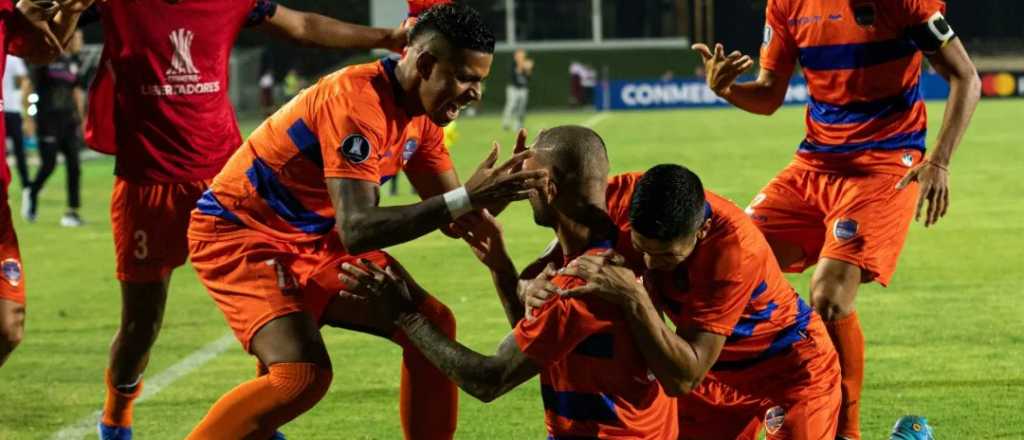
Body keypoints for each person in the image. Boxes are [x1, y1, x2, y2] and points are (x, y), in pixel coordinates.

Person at [184, 4, 544, 438]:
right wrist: (467, 197)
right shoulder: (357, 103)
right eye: (465, 77)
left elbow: (451, 217)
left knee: (432, 326)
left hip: (315, 236)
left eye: (480, 81)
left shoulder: (422, 117)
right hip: (243, 232)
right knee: (301, 377)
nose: (475, 93)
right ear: (425, 63)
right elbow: (359, 229)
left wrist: (498, 192)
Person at [84, 2, 416, 438]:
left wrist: (385, 38)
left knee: (280, 293)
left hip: (230, 178)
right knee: (141, 323)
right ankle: (116, 418)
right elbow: (48, 30)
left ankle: (263, 417)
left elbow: (303, 25)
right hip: (148, 182)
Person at [691, 0, 980, 437]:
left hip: (884, 166)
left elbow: (966, 76)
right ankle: (743, 412)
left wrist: (938, 161)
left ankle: (845, 432)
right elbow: (769, 93)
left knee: (828, 294)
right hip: (814, 164)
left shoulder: (905, 4)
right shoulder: (786, 5)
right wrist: (727, 88)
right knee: (727, 262)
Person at [342, 126, 679, 439]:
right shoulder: (621, 249)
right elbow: (537, 339)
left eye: (525, 178)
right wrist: (502, 268)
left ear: (549, 186)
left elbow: (490, 379)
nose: (518, 189)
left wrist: (405, 314)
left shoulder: (581, 283)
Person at [526, 164, 842, 439]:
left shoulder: (733, 252)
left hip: (787, 369)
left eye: (666, 255)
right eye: (641, 247)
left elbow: (684, 378)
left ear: (702, 231)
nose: (649, 263)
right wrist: (532, 284)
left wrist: (635, 296)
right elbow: (547, 260)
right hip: (712, 372)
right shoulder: (619, 199)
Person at [0, 0, 95, 367]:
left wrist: (68, 13)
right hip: (46, 123)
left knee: (8, 327)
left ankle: (53, 203)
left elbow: (41, 51)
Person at [26, 29, 86, 226]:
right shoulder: (46, 59)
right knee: (49, 165)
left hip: (68, 121)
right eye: (77, 38)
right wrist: (28, 117)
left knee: (75, 166)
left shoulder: (74, 62)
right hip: (48, 120)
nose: (79, 42)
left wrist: (82, 117)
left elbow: (76, 90)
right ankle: (32, 193)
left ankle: (71, 212)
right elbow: (29, 86)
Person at [3, 54, 30, 191]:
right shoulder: (13, 58)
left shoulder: (12, 58)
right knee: (19, 150)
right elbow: (23, 81)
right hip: (13, 108)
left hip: (5, 108)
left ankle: (23, 184)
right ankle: (25, 184)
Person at [501, 48, 532, 131]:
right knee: (511, 106)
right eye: (519, 55)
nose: (521, 57)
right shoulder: (512, 64)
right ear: (515, 56)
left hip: (523, 89)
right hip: (513, 88)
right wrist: (522, 66)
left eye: (522, 55)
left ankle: (518, 125)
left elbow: (528, 78)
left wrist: (529, 70)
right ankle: (506, 123)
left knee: (521, 108)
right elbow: (513, 76)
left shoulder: (527, 64)